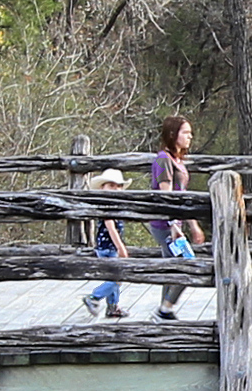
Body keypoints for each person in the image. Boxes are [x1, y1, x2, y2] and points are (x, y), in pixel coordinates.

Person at [144, 115, 206, 320]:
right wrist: (173, 224)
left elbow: (183, 196)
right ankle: (165, 309)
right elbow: (167, 195)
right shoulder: (163, 159)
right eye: (185, 133)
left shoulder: (177, 160)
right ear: (173, 135)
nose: (190, 137)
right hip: (164, 224)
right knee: (187, 264)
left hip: (175, 222)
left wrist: (193, 225)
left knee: (172, 266)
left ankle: (164, 311)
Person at [79, 168, 136, 317]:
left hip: (110, 248)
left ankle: (113, 307)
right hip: (108, 248)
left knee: (115, 277)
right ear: (102, 187)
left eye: (118, 186)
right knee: (118, 277)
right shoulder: (107, 207)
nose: (115, 189)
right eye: (111, 185)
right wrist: (121, 247)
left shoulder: (115, 206)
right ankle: (94, 297)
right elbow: (111, 229)